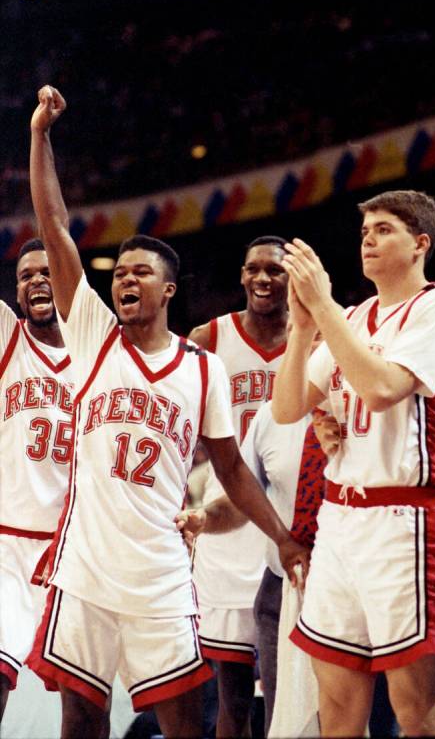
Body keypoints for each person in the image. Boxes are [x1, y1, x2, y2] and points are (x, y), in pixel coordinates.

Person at [25, 85, 308, 739]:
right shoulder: (92, 334)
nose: (125, 280)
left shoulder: (201, 366)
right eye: (119, 272)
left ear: (169, 289)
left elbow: (234, 471)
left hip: (159, 570)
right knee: (80, 718)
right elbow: (54, 226)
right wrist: (41, 135)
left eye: (139, 274)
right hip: (87, 567)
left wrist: (282, 538)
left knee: (182, 721)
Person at [271, 189, 435, 737]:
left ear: (420, 244)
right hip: (339, 522)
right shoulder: (355, 316)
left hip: (406, 523)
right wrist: (303, 328)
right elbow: (287, 407)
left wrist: (325, 310)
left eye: (384, 230)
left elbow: (383, 387)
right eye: (365, 233)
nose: (369, 241)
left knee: (419, 715)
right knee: (336, 712)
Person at [188, 235, 288, 738]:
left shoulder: (316, 340)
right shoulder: (209, 338)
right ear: (242, 276)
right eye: (253, 268)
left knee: (286, 695)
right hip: (226, 523)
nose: (262, 278)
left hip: (287, 520)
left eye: (275, 269)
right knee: (233, 701)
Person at [0, 239, 73, 723]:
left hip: (72, 552)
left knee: (82, 702)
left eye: (46, 271)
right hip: (7, 545)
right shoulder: (8, 338)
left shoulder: (101, 348)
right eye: (26, 275)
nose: (36, 281)